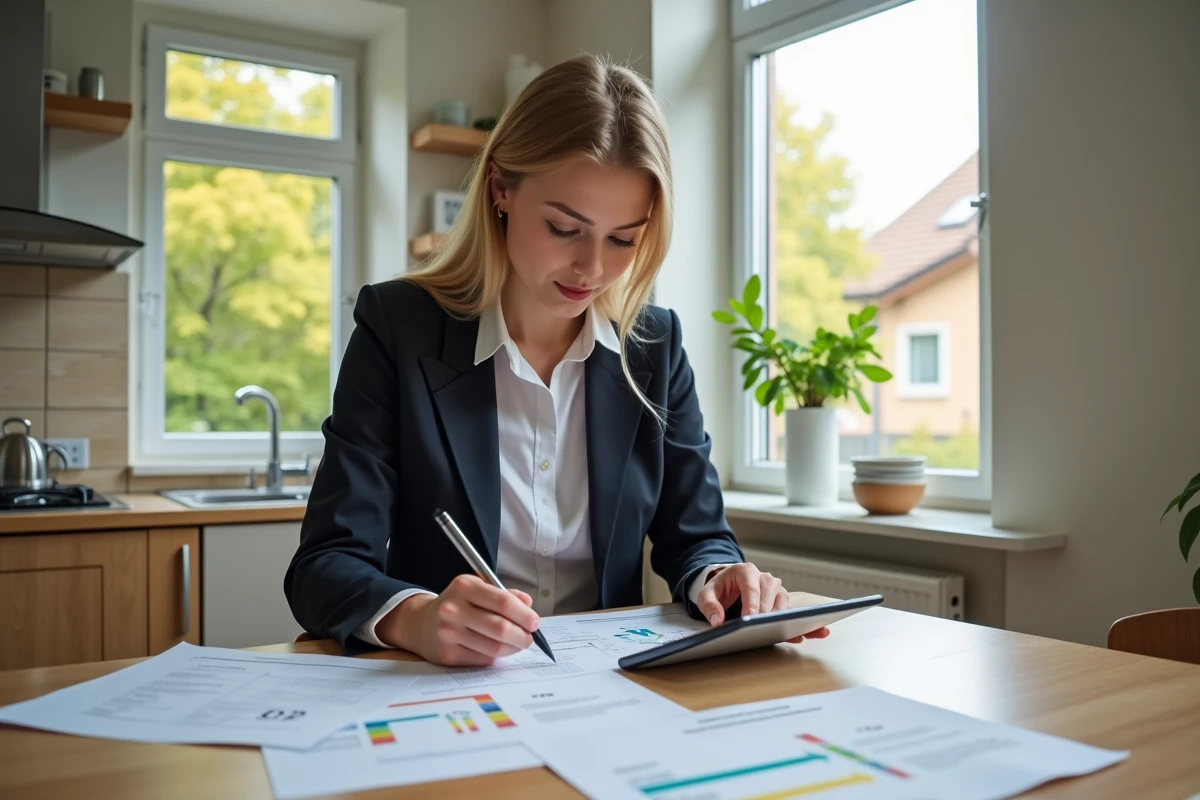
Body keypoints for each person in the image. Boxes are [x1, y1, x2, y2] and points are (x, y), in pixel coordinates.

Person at [284, 54, 829, 664]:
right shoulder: (397, 328)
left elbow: (696, 537)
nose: (593, 268)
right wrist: (416, 618)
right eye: (565, 228)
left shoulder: (654, 345)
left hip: (606, 686)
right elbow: (323, 565)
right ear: (500, 190)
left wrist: (721, 576)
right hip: (444, 690)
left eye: (624, 238)